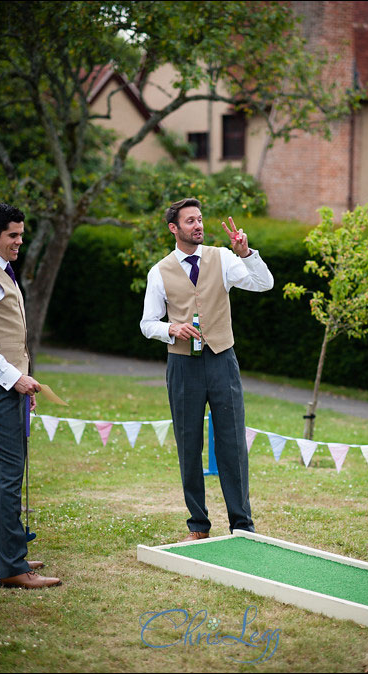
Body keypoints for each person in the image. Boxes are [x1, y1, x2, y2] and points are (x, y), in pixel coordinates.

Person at [140, 197, 274, 542]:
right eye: (190, 221)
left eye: (200, 219)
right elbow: (147, 323)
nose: (198, 225)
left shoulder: (223, 257)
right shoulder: (160, 271)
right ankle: (198, 525)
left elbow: (263, 284)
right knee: (189, 444)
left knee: (232, 443)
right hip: (182, 366)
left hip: (222, 361)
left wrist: (246, 253)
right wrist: (170, 329)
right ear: (174, 228)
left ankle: (242, 525)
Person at [0, 203, 62, 589]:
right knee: (7, 475)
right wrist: (12, 378)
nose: (20, 240)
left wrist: (24, 378)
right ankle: (14, 567)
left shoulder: (2, 270)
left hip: (6, 385)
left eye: (20, 233)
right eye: (12, 235)